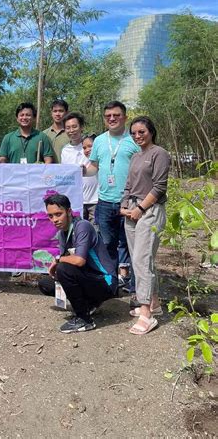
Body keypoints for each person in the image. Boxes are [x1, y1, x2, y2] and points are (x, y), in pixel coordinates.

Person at [120, 116, 171, 335]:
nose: (137, 136)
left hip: (149, 211)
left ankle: (145, 314)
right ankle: (155, 303)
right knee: (140, 260)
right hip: (131, 211)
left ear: (151, 131)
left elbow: (159, 186)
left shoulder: (159, 154)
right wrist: (124, 206)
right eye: (134, 133)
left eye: (142, 132)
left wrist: (140, 209)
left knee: (141, 261)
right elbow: (129, 185)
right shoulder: (135, 157)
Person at [41, 194, 117, 333]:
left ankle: (85, 319)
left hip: (106, 282)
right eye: (51, 216)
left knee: (64, 269)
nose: (55, 220)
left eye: (58, 214)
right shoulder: (63, 232)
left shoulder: (82, 226)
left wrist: (57, 260)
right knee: (46, 284)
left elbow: (79, 261)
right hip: (89, 278)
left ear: (69, 212)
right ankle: (89, 304)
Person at [84, 101, 140, 292]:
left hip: (130, 201)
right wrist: (78, 172)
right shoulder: (99, 140)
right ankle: (111, 284)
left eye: (116, 115)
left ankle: (135, 287)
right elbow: (94, 167)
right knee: (107, 244)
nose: (112, 118)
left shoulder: (135, 140)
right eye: (108, 116)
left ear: (124, 117)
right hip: (105, 201)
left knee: (132, 245)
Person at [60, 113, 96, 223]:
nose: (71, 130)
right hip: (75, 201)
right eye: (68, 128)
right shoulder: (65, 150)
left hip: (94, 199)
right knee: (79, 233)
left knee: (96, 233)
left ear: (81, 127)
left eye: (74, 126)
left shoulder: (92, 145)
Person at [43, 98, 69, 163]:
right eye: (55, 111)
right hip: (48, 172)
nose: (57, 114)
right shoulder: (44, 134)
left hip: (66, 171)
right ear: (51, 113)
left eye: (61, 111)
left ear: (66, 113)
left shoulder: (71, 133)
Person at [82, 135, 99, 224]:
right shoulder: (83, 162)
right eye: (84, 148)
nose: (87, 150)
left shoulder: (102, 160)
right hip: (82, 202)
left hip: (96, 202)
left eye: (90, 146)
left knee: (95, 230)